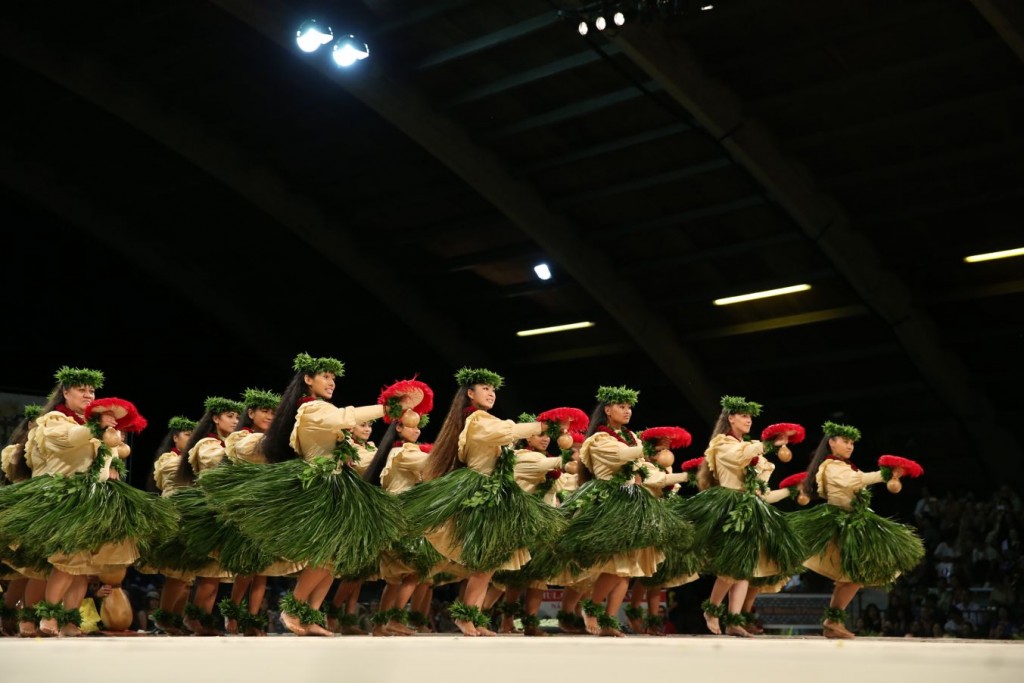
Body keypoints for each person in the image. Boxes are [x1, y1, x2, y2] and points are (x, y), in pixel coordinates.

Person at [198, 352, 421, 636]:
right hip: (320, 486)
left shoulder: (322, 409)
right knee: (325, 551)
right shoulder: (312, 409)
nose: (331, 383)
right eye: (325, 377)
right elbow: (345, 416)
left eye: (333, 378)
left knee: (335, 557)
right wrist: (388, 407)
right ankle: (293, 607)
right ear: (307, 379)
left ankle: (310, 614)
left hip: (340, 485)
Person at [0, 367, 172, 637]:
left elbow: (110, 453)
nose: (88, 394)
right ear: (65, 392)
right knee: (58, 563)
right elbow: (68, 441)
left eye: (92, 390)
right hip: (64, 497)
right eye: (81, 389)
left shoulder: (93, 421)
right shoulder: (55, 419)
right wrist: (97, 428)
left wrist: (115, 444)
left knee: (83, 567)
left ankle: (69, 620)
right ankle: (40, 617)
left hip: (96, 498)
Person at [401, 368, 562, 636]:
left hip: (496, 492)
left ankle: (472, 616)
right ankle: (466, 616)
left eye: (493, 389)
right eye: (484, 388)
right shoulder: (477, 420)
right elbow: (506, 430)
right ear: (470, 393)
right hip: (480, 492)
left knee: (489, 562)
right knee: (485, 560)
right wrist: (542, 426)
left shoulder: (485, 420)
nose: (491, 393)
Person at [559, 387, 692, 637]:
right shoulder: (599, 439)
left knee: (627, 569)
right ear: (607, 410)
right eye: (621, 406)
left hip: (633, 503)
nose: (627, 411)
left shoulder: (632, 437)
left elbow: (646, 473)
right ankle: (591, 606)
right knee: (617, 564)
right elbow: (620, 457)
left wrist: (685, 476)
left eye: (629, 407)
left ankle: (609, 620)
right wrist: (649, 449)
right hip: (610, 501)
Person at [791, 421, 925, 639]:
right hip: (843, 522)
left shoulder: (843, 465)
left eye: (852, 442)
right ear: (832, 443)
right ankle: (832, 621)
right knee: (853, 575)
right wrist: (886, 474)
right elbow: (857, 481)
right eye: (845, 441)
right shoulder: (832, 467)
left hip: (852, 519)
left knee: (850, 576)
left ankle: (832, 622)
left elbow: (857, 479)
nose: (850, 446)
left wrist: (891, 475)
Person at [687, 395, 803, 637]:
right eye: (743, 415)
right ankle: (712, 608)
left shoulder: (748, 446)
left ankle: (734, 620)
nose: (749, 420)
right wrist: (768, 443)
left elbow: (760, 481)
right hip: (730, 506)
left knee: (744, 565)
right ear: (731, 418)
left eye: (750, 416)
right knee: (732, 563)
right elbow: (739, 457)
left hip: (751, 506)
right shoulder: (722, 443)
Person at [143, 415, 196, 635]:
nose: (192, 439)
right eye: (186, 435)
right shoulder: (168, 459)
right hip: (175, 515)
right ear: (175, 438)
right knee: (177, 573)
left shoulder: (194, 459)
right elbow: (171, 477)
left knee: (188, 577)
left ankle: (174, 618)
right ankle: (164, 617)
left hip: (192, 517)